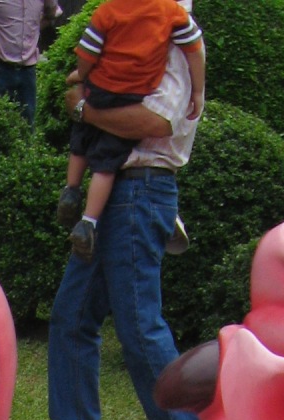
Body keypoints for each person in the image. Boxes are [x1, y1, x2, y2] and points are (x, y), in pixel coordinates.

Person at [18, 31, 202, 420]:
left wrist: (85, 109)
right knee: (72, 313)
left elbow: (157, 121)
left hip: (141, 189)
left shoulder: (174, 43)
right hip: (117, 190)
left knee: (138, 322)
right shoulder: (137, 36)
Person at [57, 0, 203, 261]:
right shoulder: (170, 15)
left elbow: (158, 122)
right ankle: (88, 221)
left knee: (81, 142)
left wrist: (83, 101)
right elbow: (194, 48)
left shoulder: (109, 10)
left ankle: (71, 189)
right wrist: (199, 91)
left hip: (139, 181)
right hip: (129, 100)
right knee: (105, 164)